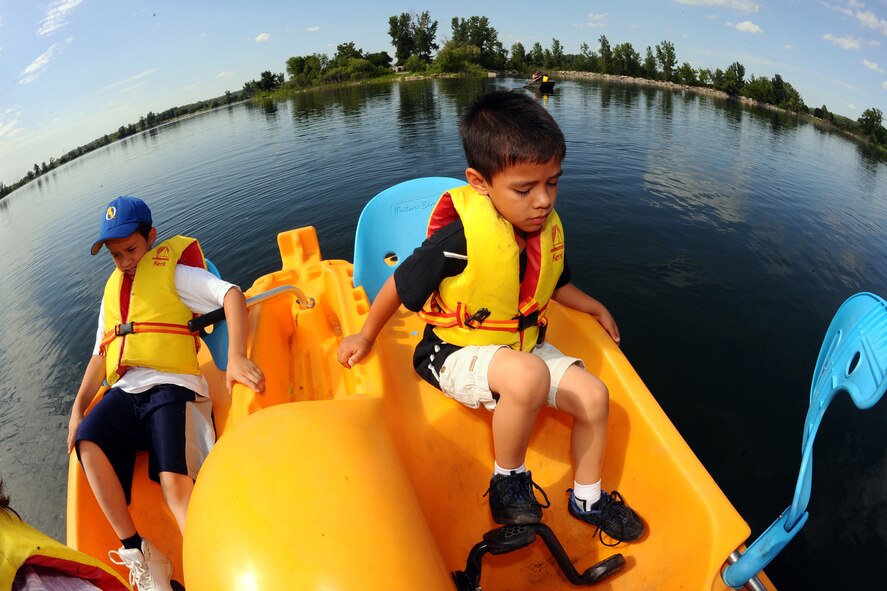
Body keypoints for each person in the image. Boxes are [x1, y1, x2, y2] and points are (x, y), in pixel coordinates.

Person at [337, 90, 644, 544]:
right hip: (452, 351)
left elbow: (555, 284)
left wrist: (594, 304)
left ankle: (587, 497)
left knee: (595, 397)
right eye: (525, 189)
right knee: (526, 377)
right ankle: (508, 479)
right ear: (480, 182)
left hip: (522, 347)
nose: (543, 201)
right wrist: (365, 335)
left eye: (553, 183)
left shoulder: (545, 228)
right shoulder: (458, 236)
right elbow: (399, 286)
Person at [67, 196, 265, 591]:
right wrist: (76, 411)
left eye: (131, 249)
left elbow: (231, 295)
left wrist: (237, 357)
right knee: (87, 442)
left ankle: (210, 572)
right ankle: (140, 552)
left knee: (173, 482)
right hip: (126, 391)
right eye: (115, 255)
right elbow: (99, 356)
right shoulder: (113, 293)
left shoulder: (173, 273)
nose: (124, 261)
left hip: (172, 386)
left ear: (151, 238)